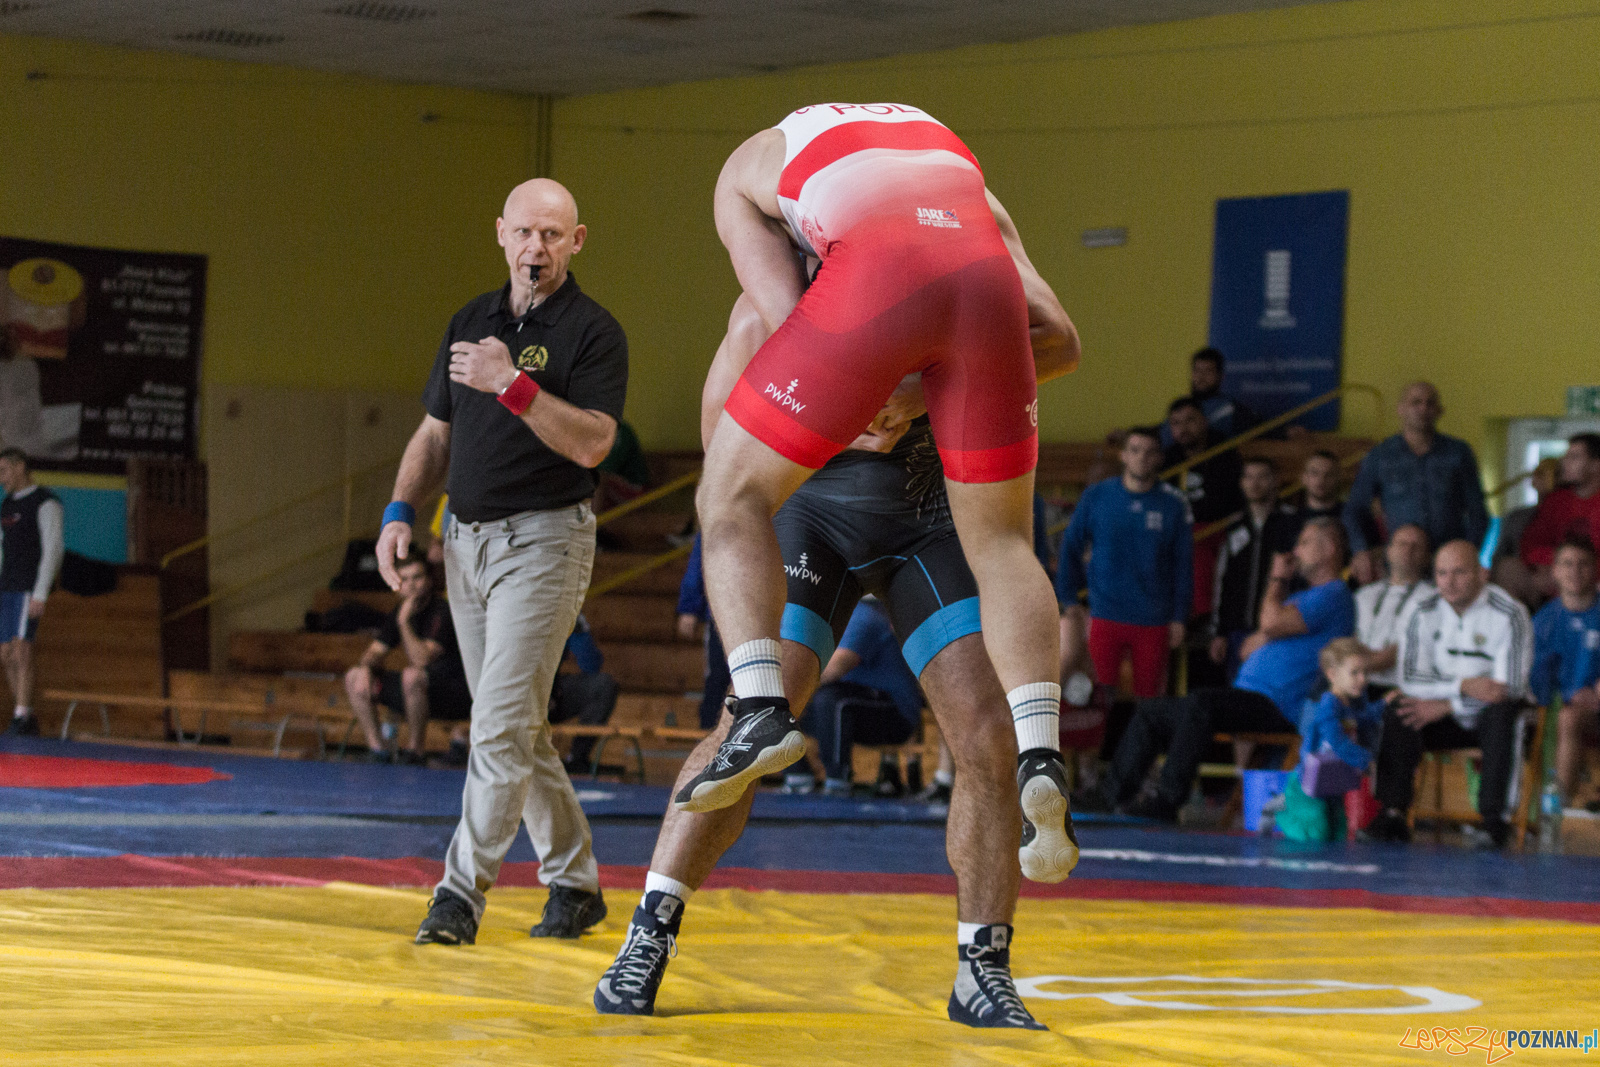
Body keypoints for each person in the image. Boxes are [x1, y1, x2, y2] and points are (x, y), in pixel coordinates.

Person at [594, 287, 1076, 1030]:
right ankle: (647, 935)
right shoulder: (777, 284)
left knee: (988, 733)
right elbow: (722, 455)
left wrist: (919, 395)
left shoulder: (955, 245)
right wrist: (828, 414)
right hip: (810, 514)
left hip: (927, 515)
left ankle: (983, 967)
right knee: (750, 724)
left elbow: (1058, 342)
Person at [684, 107, 1080, 898]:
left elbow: (783, 317)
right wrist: (918, 390)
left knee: (724, 499)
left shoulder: (743, 170)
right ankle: (1044, 747)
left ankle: (759, 708)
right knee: (1004, 543)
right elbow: (1060, 339)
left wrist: (879, 390)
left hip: (883, 434)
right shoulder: (967, 187)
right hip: (979, 293)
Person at [375, 178, 628, 946]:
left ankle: (458, 894)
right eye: (524, 233)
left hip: (545, 543)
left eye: (552, 235)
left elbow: (592, 442)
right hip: (465, 542)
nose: (536, 249)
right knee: (516, 728)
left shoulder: (594, 331)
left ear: (576, 241)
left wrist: (511, 384)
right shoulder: (471, 320)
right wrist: (397, 512)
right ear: (501, 235)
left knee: (497, 725)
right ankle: (577, 883)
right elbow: (433, 434)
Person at [1077, 518, 1354, 822]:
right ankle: (1108, 796)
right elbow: (1256, 639)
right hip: (1249, 696)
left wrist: (1276, 579)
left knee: (1201, 703)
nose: (1296, 551)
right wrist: (1269, 630)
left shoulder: (1334, 594)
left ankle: (1166, 801)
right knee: (1151, 712)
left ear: (1328, 549)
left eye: (1304, 542)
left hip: (1279, 705)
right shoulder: (1302, 599)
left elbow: (1269, 625)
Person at [1363, 540, 1532, 850]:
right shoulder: (1422, 610)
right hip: (1440, 714)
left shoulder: (1510, 613)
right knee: (1400, 706)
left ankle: (1494, 821)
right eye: (1441, 573)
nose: (1449, 582)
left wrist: (1448, 703)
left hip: (1487, 715)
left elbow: (1506, 687)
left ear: (1482, 574)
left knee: (1504, 710)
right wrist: (1462, 686)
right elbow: (1411, 677)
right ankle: (1392, 813)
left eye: (1459, 572)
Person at [1056, 426, 1192, 700]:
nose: (1142, 457)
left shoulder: (1173, 505)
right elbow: (1070, 547)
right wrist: (1068, 600)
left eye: (1150, 452)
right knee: (1099, 698)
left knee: (1149, 702)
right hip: (1105, 614)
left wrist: (1179, 617)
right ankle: (1104, 744)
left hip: (1154, 618)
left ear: (1160, 458)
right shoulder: (1097, 496)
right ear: (1123, 455)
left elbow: (1183, 566)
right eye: (1135, 450)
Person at [1344, 382, 1489, 584]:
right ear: (1401, 409)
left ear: (1439, 411)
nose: (1423, 408)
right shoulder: (1380, 456)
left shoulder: (1458, 453)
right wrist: (1361, 550)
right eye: (1416, 402)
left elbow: (1477, 512)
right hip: (1399, 564)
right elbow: (1355, 509)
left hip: (1448, 563)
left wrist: (1468, 552)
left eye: (1430, 403)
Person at [785, 598, 925, 794]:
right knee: (778, 706)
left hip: (897, 714)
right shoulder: (837, 617)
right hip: (861, 702)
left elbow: (833, 669)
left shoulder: (864, 617)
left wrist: (790, 688)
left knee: (829, 700)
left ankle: (837, 779)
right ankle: (798, 776)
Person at [342, 555, 472, 765]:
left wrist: (404, 623)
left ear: (429, 580)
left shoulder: (442, 611)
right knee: (353, 676)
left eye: (417, 578)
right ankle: (378, 750)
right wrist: (366, 668)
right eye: (405, 580)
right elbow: (374, 651)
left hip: (453, 693)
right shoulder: (399, 611)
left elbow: (422, 660)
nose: (411, 585)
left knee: (412, 676)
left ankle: (415, 752)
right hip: (417, 692)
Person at [1208, 457, 1300, 677]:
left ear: (1275, 481)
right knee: (1239, 699)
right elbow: (1223, 581)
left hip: (1280, 632)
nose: (1254, 483)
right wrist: (1219, 632)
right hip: (1238, 632)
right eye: (1249, 477)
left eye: (1262, 477)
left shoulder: (1293, 524)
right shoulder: (1235, 526)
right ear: (1241, 483)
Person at [1529, 536, 1600, 805]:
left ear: (1594, 569)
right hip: (1569, 710)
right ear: (1555, 571)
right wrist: (1571, 694)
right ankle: (1559, 808)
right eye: (1567, 564)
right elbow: (1538, 681)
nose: (1575, 571)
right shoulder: (1543, 622)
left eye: (1583, 564)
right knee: (1567, 718)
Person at [0, 448, 63, 736]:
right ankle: (25, 714)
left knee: (23, 649)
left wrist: (40, 592)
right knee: (6, 654)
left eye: (3, 471)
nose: (1, 479)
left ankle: (21, 715)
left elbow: (53, 549)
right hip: (7, 587)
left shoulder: (45, 502)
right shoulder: (6, 505)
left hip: (28, 587)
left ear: (20, 467)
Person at [1164, 395, 1245, 621]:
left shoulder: (1223, 452)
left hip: (1214, 527)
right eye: (1176, 423)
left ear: (1204, 421)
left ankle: (1200, 616)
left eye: (1190, 420)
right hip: (1176, 529)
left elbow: (1227, 501)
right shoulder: (1168, 458)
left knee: (1194, 541)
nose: (1183, 428)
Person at [1506, 434, 1600, 605]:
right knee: (1508, 569)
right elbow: (1530, 542)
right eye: (1566, 456)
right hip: (1553, 577)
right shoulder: (1556, 500)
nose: (1564, 462)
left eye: (1575, 457)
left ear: (1595, 465)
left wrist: (1573, 571)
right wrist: (1555, 567)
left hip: (1592, 582)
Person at [1353, 523, 1434, 695]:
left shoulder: (1433, 598)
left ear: (1427, 557)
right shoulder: (1363, 595)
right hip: (1354, 682)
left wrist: (1353, 664)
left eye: (1416, 546)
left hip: (1399, 689)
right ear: (1388, 551)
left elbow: (1401, 651)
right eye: (1402, 544)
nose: (1408, 550)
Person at [675, 533, 730, 730]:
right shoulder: (719, 510)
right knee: (717, 682)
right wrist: (689, 607)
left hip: (765, 616)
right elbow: (701, 555)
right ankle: (708, 749)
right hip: (721, 616)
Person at [1159, 347, 1258, 448]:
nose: (1201, 377)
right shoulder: (1180, 407)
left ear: (1220, 376)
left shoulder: (1233, 410)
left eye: (1208, 371)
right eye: (1197, 370)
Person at [1294, 449, 1345, 527]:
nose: (1321, 479)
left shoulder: (1350, 518)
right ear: (1304, 477)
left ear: (1338, 478)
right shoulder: (1291, 522)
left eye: (1329, 474)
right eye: (1314, 473)